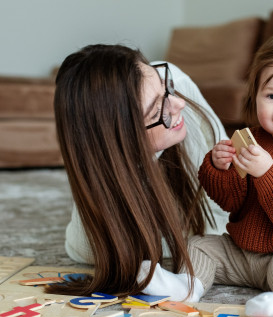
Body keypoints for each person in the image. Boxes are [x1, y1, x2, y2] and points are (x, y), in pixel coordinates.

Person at [140, 31, 273, 317]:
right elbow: (232, 201)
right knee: (201, 245)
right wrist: (219, 167)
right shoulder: (252, 140)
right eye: (272, 96)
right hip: (248, 254)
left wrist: (269, 172)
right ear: (256, 96)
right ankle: (186, 287)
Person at [46, 44, 228, 297]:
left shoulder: (170, 79)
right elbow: (85, 250)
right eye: (157, 110)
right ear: (120, 140)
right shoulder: (91, 236)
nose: (179, 104)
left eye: (168, 89)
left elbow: (230, 210)